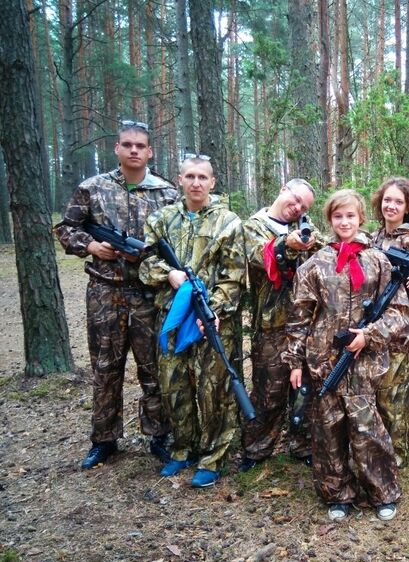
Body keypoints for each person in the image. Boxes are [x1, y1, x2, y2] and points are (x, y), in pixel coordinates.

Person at [54, 120, 176, 470]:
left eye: (140, 145)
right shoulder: (92, 188)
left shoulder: (167, 193)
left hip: (149, 294)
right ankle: (104, 439)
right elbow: (66, 228)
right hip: (105, 292)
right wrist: (91, 245)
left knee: (154, 367)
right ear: (117, 149)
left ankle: (159, 436)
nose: (134, 150)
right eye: (127, 144)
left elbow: (176, 239)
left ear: (150, 151)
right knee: (106, 368)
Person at [284, 189, 409, 521]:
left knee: (368, 430)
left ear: (361, 218)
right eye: (338, 216)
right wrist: (295, 361)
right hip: (324, 362)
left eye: (350, 216)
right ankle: (337, 493)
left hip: (365, 364)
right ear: (329, 220)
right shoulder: (315, 264)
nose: (344, 222)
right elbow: (299, 317)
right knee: (328, 430)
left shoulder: (378, 261)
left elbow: (399, 312)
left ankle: (382, 492)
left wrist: (369, 335)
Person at [139, 155, 246, 488]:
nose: (196, 183)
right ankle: (183, 448)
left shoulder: (228, 222)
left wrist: (213, 311)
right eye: (190, 176)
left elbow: (234, 275)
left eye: (202, 177)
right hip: (172, 316)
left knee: (215, 388)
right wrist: (167, 274)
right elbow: (144, 263)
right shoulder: (161, 219)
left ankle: (213, 457)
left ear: (212, 182)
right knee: (174, 384)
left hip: (214, 320)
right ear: (180, 180)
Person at [239, 179, 319, 472]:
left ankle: (302, 445)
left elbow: (324, 252)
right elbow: (257, 256)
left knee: (304, 391)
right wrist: (287, 244)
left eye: (304, 206)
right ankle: (257, 448)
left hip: (305, 324)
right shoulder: (253, 226)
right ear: (283, 189)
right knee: (267, 391)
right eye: (296, 199)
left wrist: (311, 242)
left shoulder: (306, 228)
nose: (297, 208)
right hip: (270, 325)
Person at [370, 177, 409, 467]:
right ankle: (379, 450)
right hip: (377, 329)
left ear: (408, 207)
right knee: (377, 394)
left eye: (398, 201)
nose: (391, 206)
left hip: (404, 333)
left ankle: (396, 454)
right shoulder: (374, 238)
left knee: (394, 397)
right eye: (387, 200)